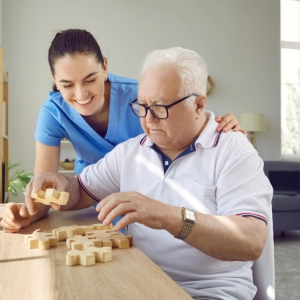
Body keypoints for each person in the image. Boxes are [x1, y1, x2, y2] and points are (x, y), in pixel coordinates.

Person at [1, 46, 272, 300]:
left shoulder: (234, 150)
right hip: (137, 278)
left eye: (160, 108)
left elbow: (250, 241)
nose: (147, 120)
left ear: (198, 105)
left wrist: (166, 215)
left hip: (208, 292)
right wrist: (58, 184)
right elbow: (80, 190)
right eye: (141, 106)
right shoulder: (131, 151)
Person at [34, 29, 243, 225]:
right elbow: (51, 189)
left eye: (90, 80)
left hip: (147, 192)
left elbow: (189, 122)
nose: (80, 95)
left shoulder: (142, 99)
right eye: (67, 85)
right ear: (54, 79)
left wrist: (220, 128)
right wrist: (28, 210)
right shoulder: (54, 111)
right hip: (93, 190)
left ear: (105, 67)